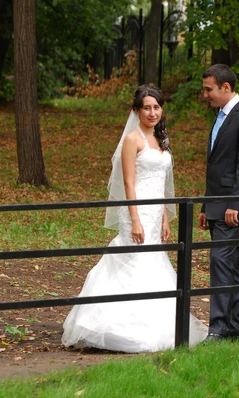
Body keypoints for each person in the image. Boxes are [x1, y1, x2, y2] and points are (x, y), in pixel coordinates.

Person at [62, 84, 207, 353]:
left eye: (157, 107)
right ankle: (117, 327)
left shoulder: (161, 140)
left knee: (154, 261)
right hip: (136, 212)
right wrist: (136, 218)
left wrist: (164, 218)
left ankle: (158, 324)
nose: (152, 112)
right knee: (134, 260)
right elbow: (129, 183)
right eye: (147, 108)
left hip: (155, 214)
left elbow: (161, 184)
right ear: (137, 111)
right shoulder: (132, 140)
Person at [198, 64, 239, 342]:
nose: (205, 95)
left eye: (209, 89)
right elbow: (217, 166)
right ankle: (236, 330)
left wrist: (235, 204)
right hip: (218, 204)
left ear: (226, 88)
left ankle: (220, 329)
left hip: (232, 206)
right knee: (230, 266)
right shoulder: (221, 116)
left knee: (220, 261)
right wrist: (206, 206)